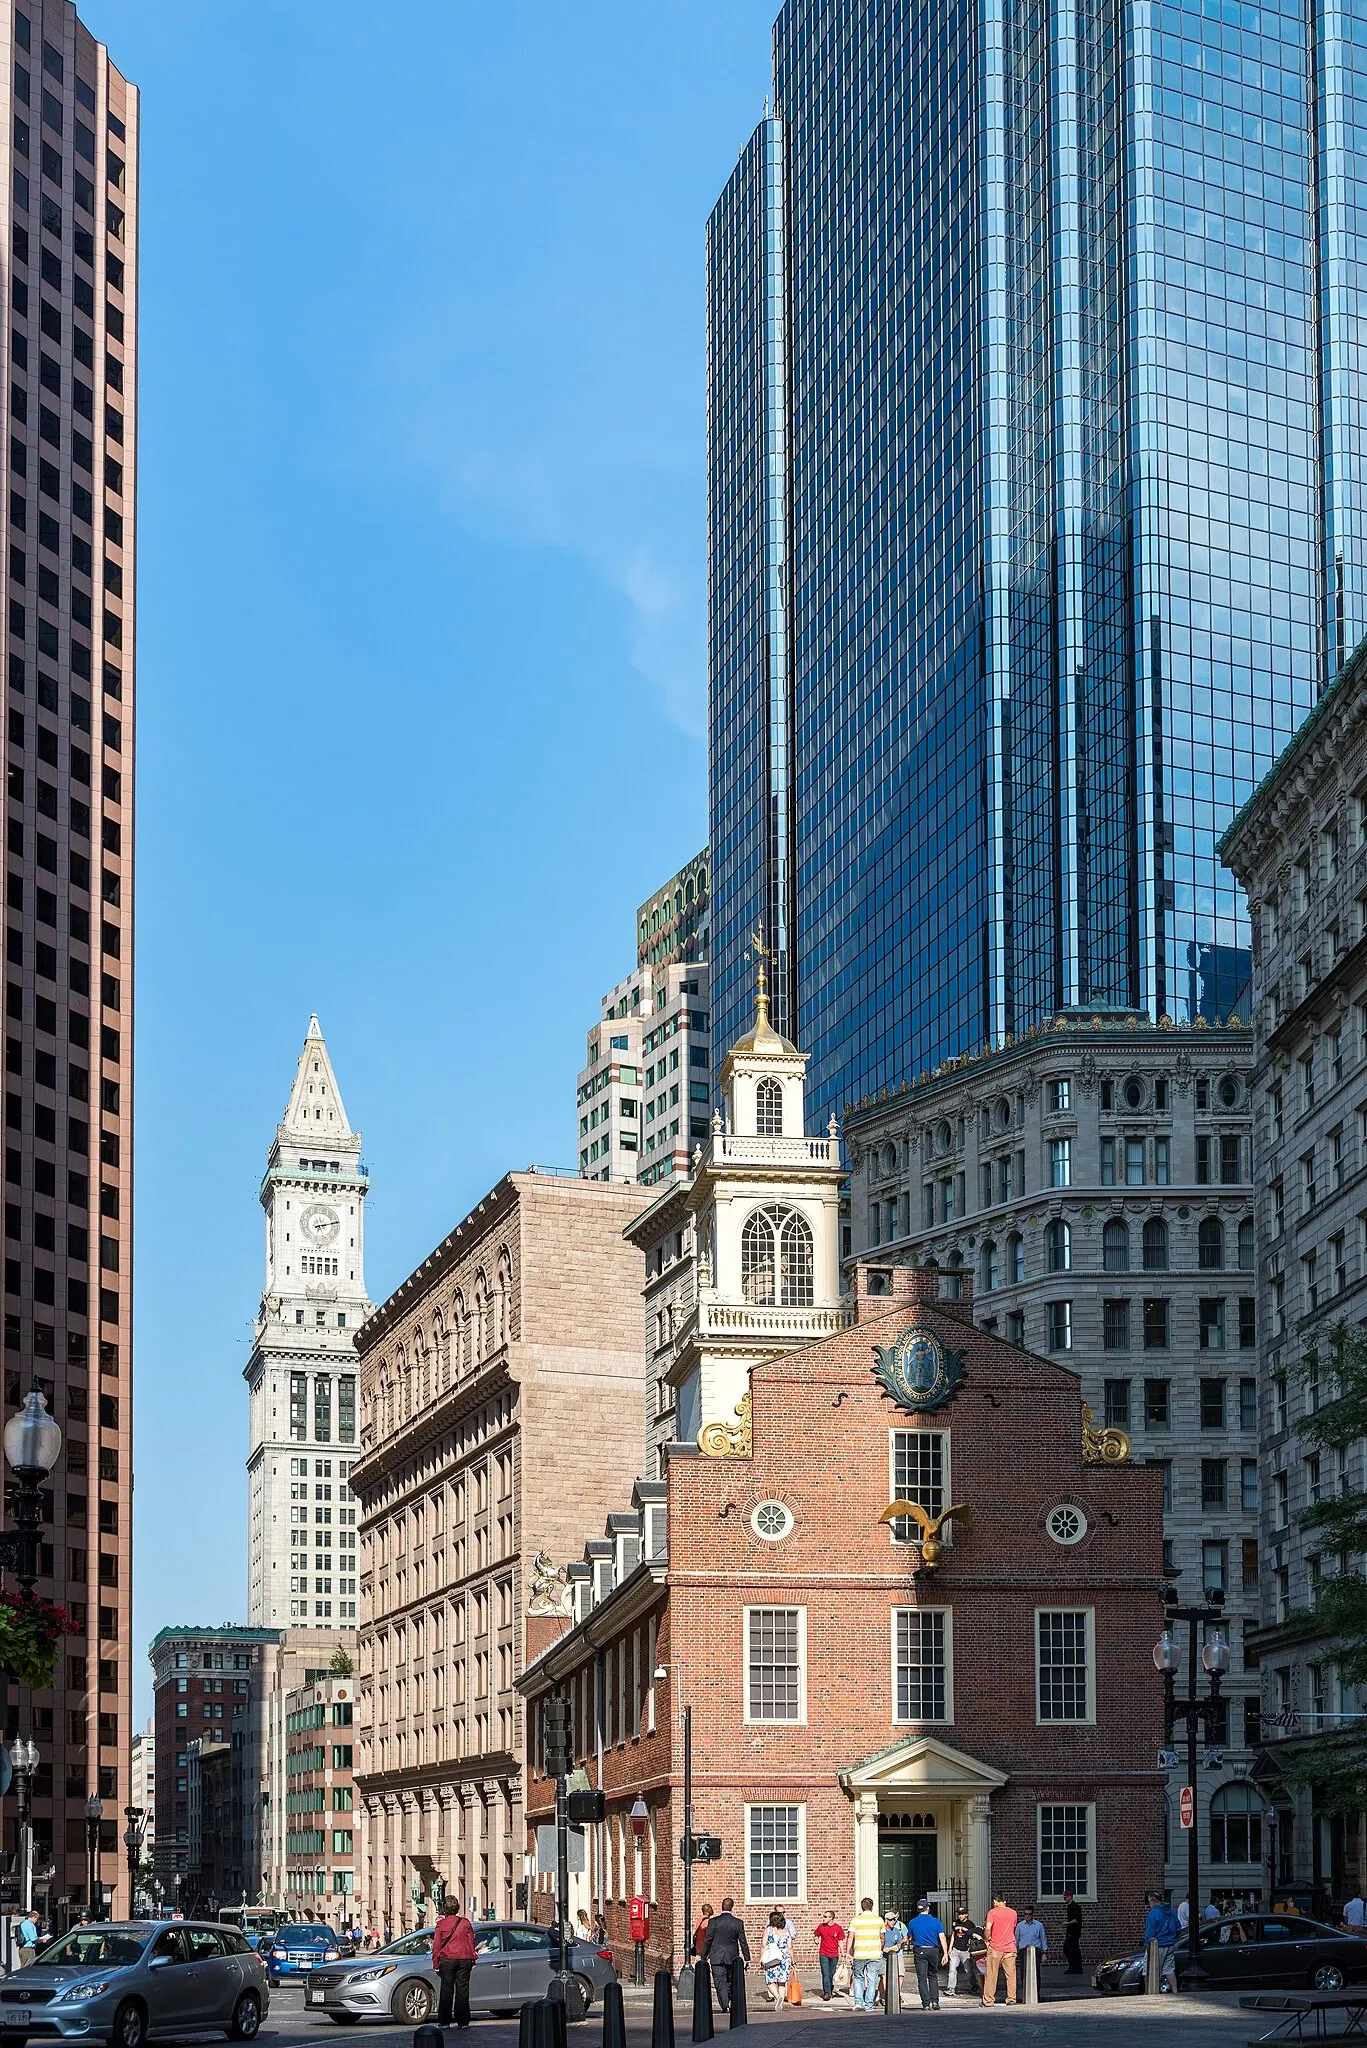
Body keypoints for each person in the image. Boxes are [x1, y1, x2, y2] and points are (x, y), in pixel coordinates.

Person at [432, 1895, 477, 2030]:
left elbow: (436, 1946)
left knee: (447, 1990)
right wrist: (473, 1958)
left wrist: (435, 1963)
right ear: (457, 1908)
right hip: (464, 1958)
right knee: (462, 1990)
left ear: (444, 1909)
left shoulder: (441, 1925)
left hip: (447, 1958)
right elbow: (471, 1942)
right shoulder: (465, 1923)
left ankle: (445, 2021)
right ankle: (463, 2021)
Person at [699, 1897, 749, 2013]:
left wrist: (704, 1956)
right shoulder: (738, 1923)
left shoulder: (713, 1921)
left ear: (722, 1906)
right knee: (730, 1980)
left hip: (716, 1956)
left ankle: (725, 2005)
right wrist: (747, 1959)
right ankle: (730, 2000)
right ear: (732, 1907)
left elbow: (708, 1940)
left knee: (719, 1981)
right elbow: (743, 1942)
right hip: (732, 1956)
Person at [906, 1897, 948, 2011]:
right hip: (933, 1950)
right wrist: (945, 1953)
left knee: (922, 1978)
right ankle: (935, 2002)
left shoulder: (913, 1922)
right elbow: (942, 1937)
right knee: (933, 1976)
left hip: (920, 1950)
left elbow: (909, 1937)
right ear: (928, 1908)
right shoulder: (936, 1921)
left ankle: (925, 2003)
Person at [846, 1896, 885, 2012]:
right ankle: (868, 2004)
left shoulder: (855, 1920)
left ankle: (858, 2003)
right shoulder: (879, 1920)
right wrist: (881, 1949)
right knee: (872, 1979)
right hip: (874, 1954)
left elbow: (850, 1937)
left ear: (862, 1907)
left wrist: (848, 1952)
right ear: (872, 1907)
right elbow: (882, 1938)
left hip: (859, 1954)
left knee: (858, 1978)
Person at [981, 1892, 1018, 2007]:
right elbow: (1013, 1927)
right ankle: (1011, 1998)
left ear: (995, 1901)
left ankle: (988, 2000)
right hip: (1010, 1947)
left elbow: (988, 1928)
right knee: (1011, 1975)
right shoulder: (1013, 1913)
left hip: (996, 1947)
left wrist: (986, 1939)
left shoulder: (992, 1912)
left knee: (991, 1974)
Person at [1142, 1892, 1180, 1995]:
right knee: (1169, 1970)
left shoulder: (1153, 1914)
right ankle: (1175, 1991)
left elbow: (1150, 1934)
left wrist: (1147, 1946)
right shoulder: (1171, 1911)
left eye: (1149, 1901)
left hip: (1157, 1945)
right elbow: (1178, 1928)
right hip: (1170, 1944)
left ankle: (1149, 1992)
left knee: (1150, 1969)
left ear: (1153, 1901)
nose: (1149, 1904)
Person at [760, 1910, 793, 2006]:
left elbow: (763, 1945)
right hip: (784, 1957)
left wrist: (761, 1958)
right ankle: (781, 2002)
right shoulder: (786, 1931)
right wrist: (793, 1961)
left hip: (772, 1957)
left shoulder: (768, 1930)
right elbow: (790, 1947)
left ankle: (777, 1997)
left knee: (770, 1980)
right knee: (782, 1982)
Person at [1015, 1905, 1048, 1997]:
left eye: (1029, 1914)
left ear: (1033, 1914)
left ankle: (1037, 1993)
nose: (1027, 1916)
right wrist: (1015, 1951)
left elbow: (1043, 1939)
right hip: (1023, 1950)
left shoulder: (1039, 1925)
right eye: (1025, 1914)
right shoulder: (1020, 1926)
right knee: (1023, 1972)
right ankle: (1025, 1992)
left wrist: (1044, 1953)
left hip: (1035, 1950)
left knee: (1036, 1972)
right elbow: (1017, 1939)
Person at [946, 1910, 980, 1997]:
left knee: (968, 1970)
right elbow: (953, 1934)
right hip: (955, 1949)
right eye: (959, 1914)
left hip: (965, 1950)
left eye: (962, 1914)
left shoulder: (970, 1924)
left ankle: (974, 1984)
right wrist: (950, 1948)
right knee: (952, 1969)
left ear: (966, 1915)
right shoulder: (955, 1923)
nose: (960, 1916)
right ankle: (951, 1988)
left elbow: (973, 1936)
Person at [813, 1912, 846, 2001]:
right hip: (824, 1953)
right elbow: (816, 1935)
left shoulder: (838, 1928)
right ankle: (826, 1993)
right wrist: (816, 1939)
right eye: (823, 1916)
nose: (823, 1918)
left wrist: (843, 1954)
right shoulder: (821, 1927)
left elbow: (840, 1941)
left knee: (832, 1974)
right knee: (825, 1974)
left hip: (834, 1955)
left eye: (825, 1917)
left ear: (831, 1918)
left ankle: (830, 1990)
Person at [877, 1910, 906, 2005]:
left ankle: (896, 1994)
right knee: (884, 1976)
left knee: (900, 1974)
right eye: (890, 1920)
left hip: (894, 1956)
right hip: (883, 1957)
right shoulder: (882, 1931)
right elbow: (879, 1943)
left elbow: (899, 1944)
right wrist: (884, 1949)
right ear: (886, 1920)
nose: (893, 1921)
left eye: (894, 1919)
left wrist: (892, 1948)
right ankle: (885, 1995)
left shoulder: (897, 1931)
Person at [1061, 1894, 1082, 1976]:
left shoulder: (1075, 1907)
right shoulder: (1070, 1906)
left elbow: (1077, 1919)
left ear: (1070, 1897)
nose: (1064, 1899)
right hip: (1071, 1931)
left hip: (1074, 1932)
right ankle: (1076, 1967)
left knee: (1068, 1948)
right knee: (1074, 1949)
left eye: (1065, 1897)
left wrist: (1067, 1923)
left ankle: (1074, 1967)